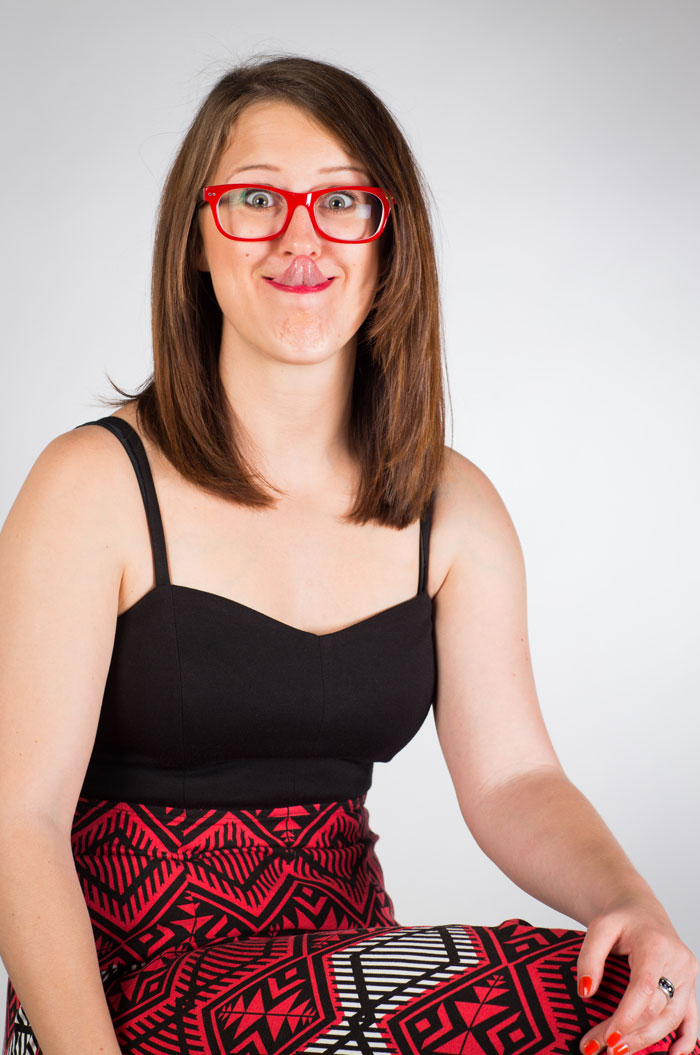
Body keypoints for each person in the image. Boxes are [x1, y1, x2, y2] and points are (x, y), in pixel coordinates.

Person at [0, 53, 697, 1055]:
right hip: (120, 984)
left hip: (343, 970)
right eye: (253, 198)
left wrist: (633, 905)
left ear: (387, 240)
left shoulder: (452, 506)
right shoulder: (94, 485)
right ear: (196, 238)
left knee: (639, 1014)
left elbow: (511, 779)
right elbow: (17, 822)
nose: (298, 237)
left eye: (342, 202)